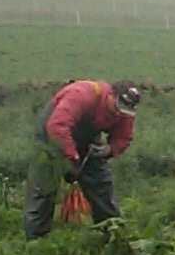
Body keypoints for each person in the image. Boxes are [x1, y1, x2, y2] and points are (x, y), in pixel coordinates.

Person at [24, 79, 140, 239]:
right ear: (111, 95)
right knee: (44, 187)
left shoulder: (124, 112)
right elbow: (57, 126)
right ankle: (36, 240)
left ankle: (112, 234)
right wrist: (72, 157)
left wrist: (110, 150)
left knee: (102, 185)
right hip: (52, 134)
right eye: (119, 106)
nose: (120, 113)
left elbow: (123, 137)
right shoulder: (81, 96)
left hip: (87, 138)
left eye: (125, 110)